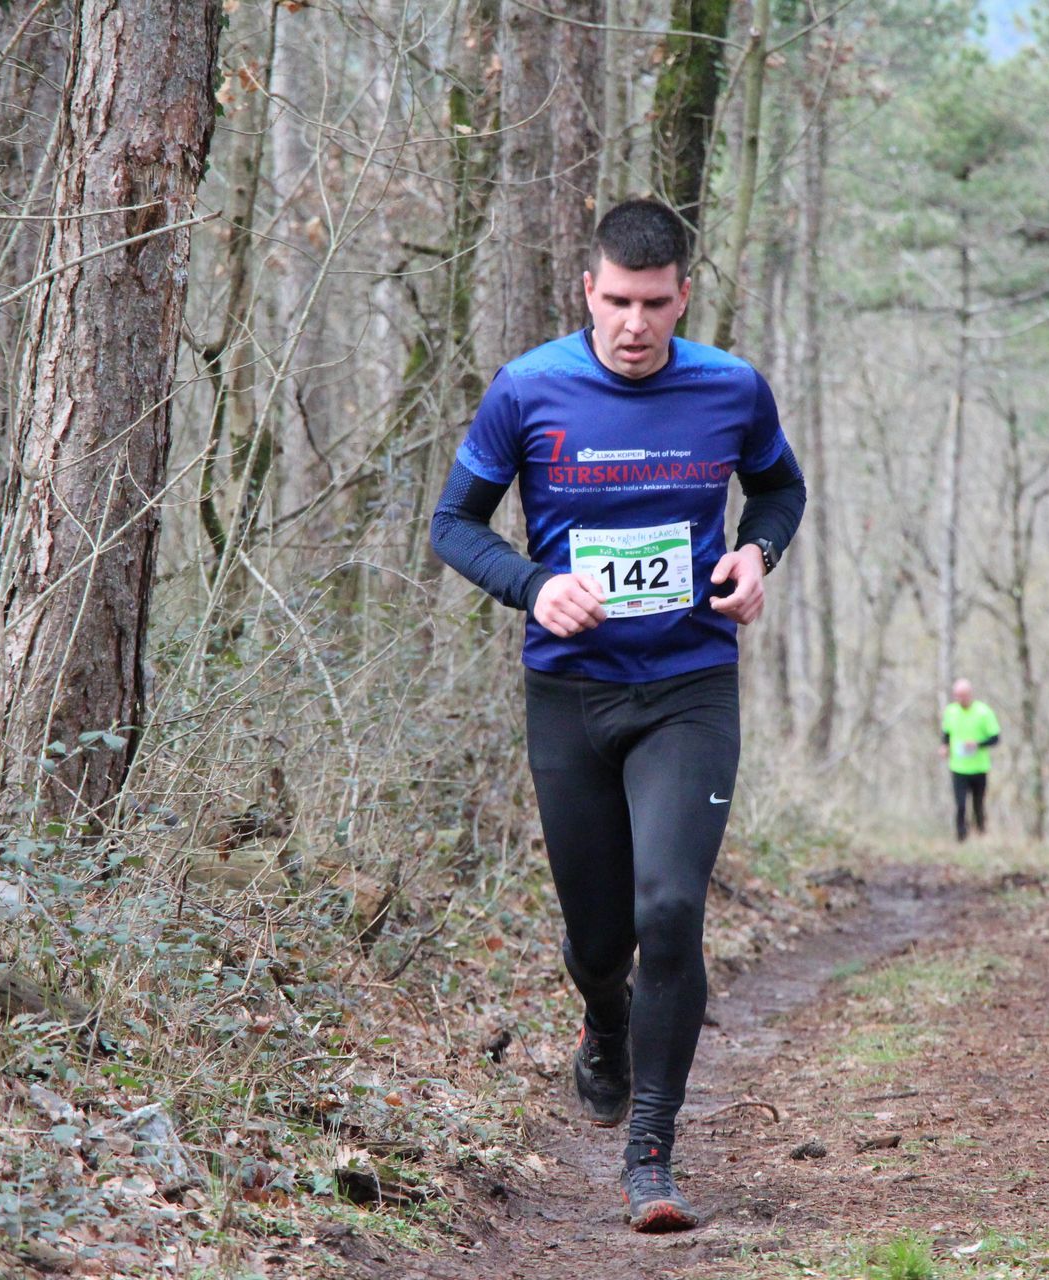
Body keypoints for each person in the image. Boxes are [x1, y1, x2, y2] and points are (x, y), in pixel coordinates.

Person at [428, 199, 807, 1233]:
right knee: (600, 941)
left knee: (670, 908)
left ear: (683, 297)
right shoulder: (528, 389)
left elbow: (780, 491)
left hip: (689, 685)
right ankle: (605, 1017)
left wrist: (757, 553)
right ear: (587, 291)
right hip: (571, 693)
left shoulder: (730, 388)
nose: (634, 325)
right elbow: (454, 523)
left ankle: (651, 1153)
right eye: (617, 302)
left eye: (654, 304)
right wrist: (531, 584)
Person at [940, 679, 999, 840]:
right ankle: (961, 837)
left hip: (979, 767)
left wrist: (978, 744)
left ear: (970, 694)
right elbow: (946, 733)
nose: (960, 699)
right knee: (960, 804)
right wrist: (944, 746)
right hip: (958, 767)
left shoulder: (983, 712)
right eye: (957, 696)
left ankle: (981, 834)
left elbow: (995, 738)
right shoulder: (950, 711)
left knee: (978, 804)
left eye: (963, 695)